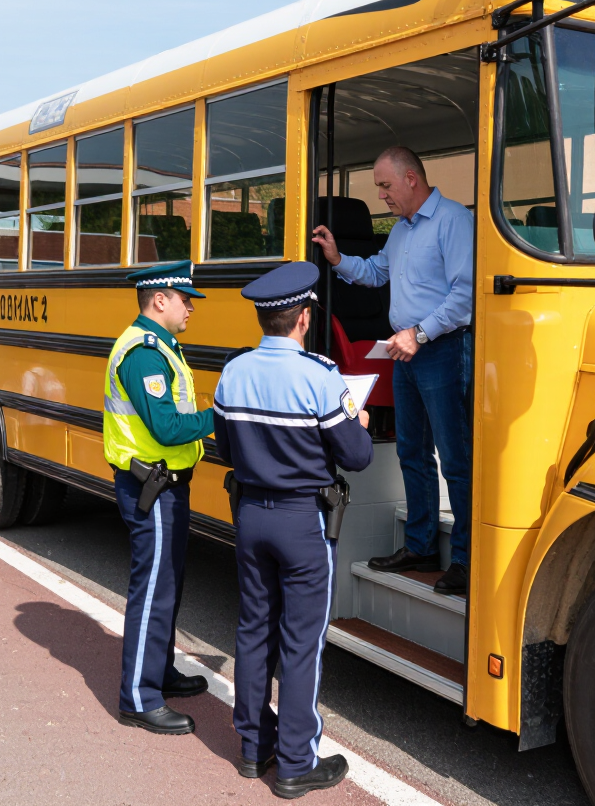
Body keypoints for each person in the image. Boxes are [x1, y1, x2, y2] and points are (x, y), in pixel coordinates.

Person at [214, 261, 373, 798]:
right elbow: (356, 456)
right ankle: (296, 763)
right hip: (302, 521)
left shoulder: (233, 373)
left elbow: (227, 449)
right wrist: (359, 422)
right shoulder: (320, 377)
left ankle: (253, 747)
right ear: (303, 318)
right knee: (301, 644)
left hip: (251, 516)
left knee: (254, 629)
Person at [312, 145, 473, 595]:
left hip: (441, 349)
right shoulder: (401, 232)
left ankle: (465, 559)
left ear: (410, 180)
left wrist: (419, 333)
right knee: (412, 453)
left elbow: (465, 295)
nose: (380, 195)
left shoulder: (454, 222)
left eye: (384, 185)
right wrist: (337, 258)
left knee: (456, 460)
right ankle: (421, 546)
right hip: (406, 353)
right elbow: (377, 272)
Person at [102, 260, 213, 736]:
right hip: (155, 485)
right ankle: (139, 698)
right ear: (159, 300)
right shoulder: (145, 353)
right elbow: (167, 428)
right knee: (152, 589)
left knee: (168, 584)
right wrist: (222, 417)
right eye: (185, 298)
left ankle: (159, 671)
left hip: (167, 485)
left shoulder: (163, 347)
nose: (190, 307)